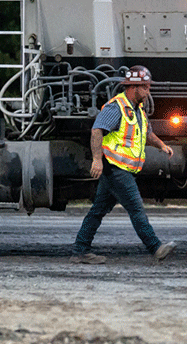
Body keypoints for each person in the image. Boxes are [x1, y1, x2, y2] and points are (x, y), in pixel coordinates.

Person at [70, 65, 177, 265]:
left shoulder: (138, 110)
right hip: (115, 168)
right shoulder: (116, 106)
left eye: (148, 86)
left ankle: (80, 250)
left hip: (122, 169)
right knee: (136, 208)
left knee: (97, 211)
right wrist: (96, 160)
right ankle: (155, 247)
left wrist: (161, 145)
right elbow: (96, 131)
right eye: (144, 87)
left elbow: (146, 134)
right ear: (132, 87)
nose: (148, 91)